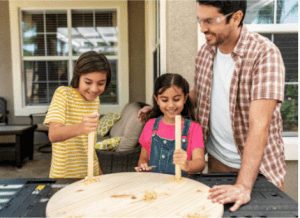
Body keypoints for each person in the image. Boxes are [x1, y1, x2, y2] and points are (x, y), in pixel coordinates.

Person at [192, 0, 285, 212]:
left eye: (209, 20)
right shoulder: (206, 52)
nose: (202, 28)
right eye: (199, 20)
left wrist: (243, 185)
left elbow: (260, 124)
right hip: (217, 163)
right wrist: (156, 108)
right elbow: (200, 94)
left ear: (236, 17)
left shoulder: (264, 54)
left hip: (259, 171)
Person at [44, 51, 111, 178]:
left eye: (101, 83)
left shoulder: (95, 99)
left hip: (91, 174)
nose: (94, 89)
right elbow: (53, 135)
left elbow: (87, 143)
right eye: (88, 82)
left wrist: (99, 172)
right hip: (64, 176)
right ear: (78, 77)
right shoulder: (63, 94)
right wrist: (81, 127)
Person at [135, 73, 205, 175]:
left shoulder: (194, 128)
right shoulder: (150, 125)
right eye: (164, 100)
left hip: (183, 186)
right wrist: (143, 166)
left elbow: (200, 162)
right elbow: (143, 159)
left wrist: (187, 165)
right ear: (157, 100)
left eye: (176, 99)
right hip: (154, 187)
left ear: (185, 98)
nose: (171, 105)